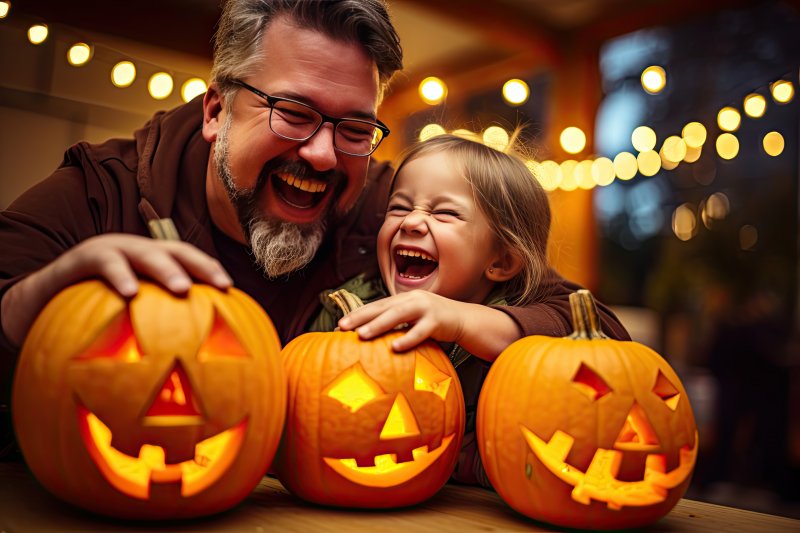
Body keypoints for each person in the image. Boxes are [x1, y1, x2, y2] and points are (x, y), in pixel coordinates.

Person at [0, 0, 625, 458]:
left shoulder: (389, 211)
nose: (326, 155)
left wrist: (491, 322)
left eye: (354, 128)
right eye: (294, 112)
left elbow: (592, 327)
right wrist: (38, 303)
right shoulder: (101, 190)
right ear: (218, 110)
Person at [308, 133, 630, 486]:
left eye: (444, 213)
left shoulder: (521, 304)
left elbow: (607, 336)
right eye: (399, 207)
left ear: (501, 261)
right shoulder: (348, 309)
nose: (411, 222)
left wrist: (462, 322)